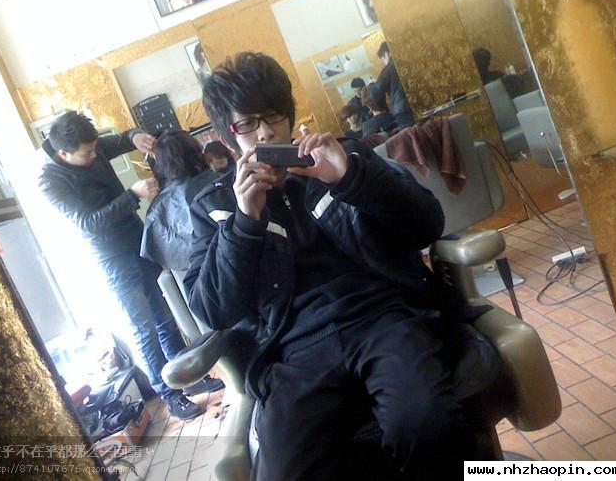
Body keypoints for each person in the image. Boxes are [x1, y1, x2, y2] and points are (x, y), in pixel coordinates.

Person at [184, 52, 477, 480]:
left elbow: (427, 224)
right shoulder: (214, 205)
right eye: (246, 123)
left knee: (426, 424)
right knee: (286, 472)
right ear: (229, 139)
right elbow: (213, 310)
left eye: (273, 115)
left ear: (289, 115)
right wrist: (244, 223)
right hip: (293, 349)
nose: (265, 131)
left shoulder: (345, 155)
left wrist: (350, 178)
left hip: (384, 317)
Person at [39, 112, 223, 420]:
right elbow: (88, 223)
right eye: (87, 153)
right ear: (63, 153)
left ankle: (187, 379)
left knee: (164, 315)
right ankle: (169, 394)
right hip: (112, 256)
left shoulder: (90, 147)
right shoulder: (51, 181)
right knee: (144, 325)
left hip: (137, 238)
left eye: (95, 148)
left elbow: (124, 139)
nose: (95, 155)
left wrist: (135, 135)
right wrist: (132, 195)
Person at [140, 130, 223, 273]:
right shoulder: (221, 183)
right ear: (197, 152)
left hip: (193, 280)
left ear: (161, 164)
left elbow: (163, 262)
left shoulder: (157, 207)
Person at [376, 42, 416, 129]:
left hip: (401, 110)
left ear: (386, 53)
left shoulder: (387, 70)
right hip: (418, 104)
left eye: (383, 59)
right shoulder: (408, 63)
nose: (384, 62)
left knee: (410, 135)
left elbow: (377, 92)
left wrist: (383, 108)